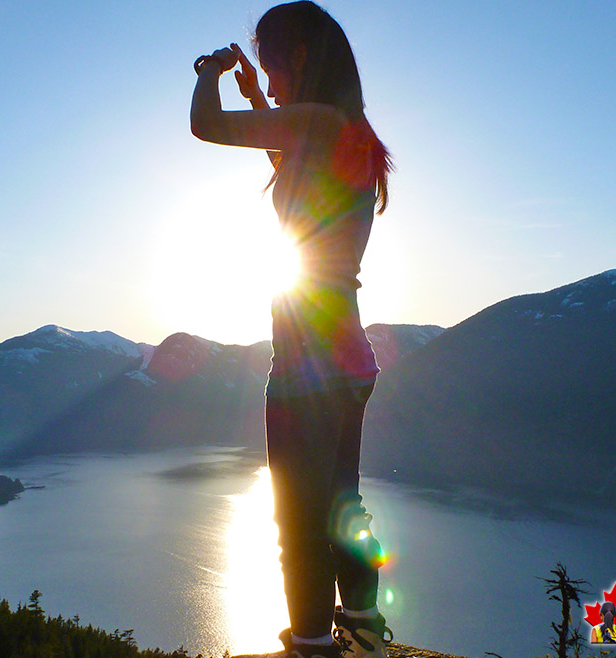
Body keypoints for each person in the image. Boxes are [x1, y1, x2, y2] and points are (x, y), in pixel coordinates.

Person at [190, 3, 392, 658]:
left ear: (299, 53)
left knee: (299, 521)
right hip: (350, 356)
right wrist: (253, 89)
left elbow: (206, 126)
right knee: (341, 503)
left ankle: (310, 646)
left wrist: (209, 74)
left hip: (306, 360)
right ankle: (362, 627)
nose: (270, 82)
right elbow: (291, 159)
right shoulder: (349, 132)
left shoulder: (312, 121)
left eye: (271, 64)